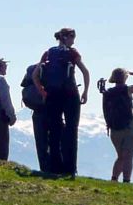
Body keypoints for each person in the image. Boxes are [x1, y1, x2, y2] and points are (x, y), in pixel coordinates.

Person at [32, 28, 90, 176]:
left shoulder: (48, 53)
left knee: (54, 131)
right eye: (72, 37)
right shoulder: (72, 53)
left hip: (52, 95)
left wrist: (42, 91)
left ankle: (55, 167)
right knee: (71, 130)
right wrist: (85, 91)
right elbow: (85, 71)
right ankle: (70, 168)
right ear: (66, 37)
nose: (74, 40)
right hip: (70, 94)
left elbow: (34, 75)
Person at [101, 68, 133, 182]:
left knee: (120, 157)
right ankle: (126, 180)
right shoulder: (128, 90)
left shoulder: (107, 93)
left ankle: (114, 179)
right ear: (125, 77)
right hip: (130, 126)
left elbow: (105, 110)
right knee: (129, 156)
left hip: (115, 129)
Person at [20, 63, 51, 173]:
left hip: (37, 112)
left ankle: (44, 168)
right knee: (54, 139)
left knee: (40, 141)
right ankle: (55, 168)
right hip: (50, 110)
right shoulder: (51, 71)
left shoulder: (33, 71)